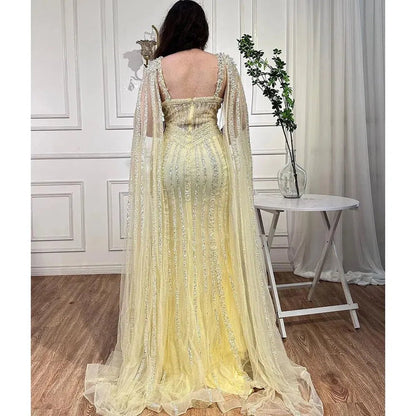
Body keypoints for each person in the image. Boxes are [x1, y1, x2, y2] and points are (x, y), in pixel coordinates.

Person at [83, 1, 324, 415]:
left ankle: (174, 349)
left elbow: (147, 130)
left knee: (175, 249)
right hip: (213, 162)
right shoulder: (224, 66)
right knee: (215, 248)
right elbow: (238, 128)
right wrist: (210, 125)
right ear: (202, 29)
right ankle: (222, 345)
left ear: (172, 29)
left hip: (174, 163)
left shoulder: (157, 70)